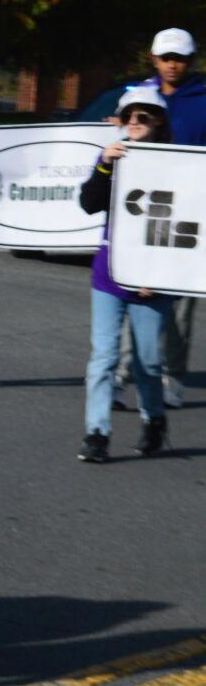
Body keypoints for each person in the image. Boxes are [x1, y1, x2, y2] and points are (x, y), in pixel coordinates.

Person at [76, 87, 175, 462]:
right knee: (103, 356)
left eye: (143, 116)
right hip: (109, 274)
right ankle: (96, 433)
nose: (134, 122)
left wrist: (159, 273)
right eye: (128, 116)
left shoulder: (177, 163)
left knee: (147, 362)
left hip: (153, 280)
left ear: (159, 121)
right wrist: (104, 165)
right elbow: (88, 204)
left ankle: (154, 420)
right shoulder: (114, 157)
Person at [137, 27, 203, 408]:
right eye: (165, 58)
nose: (172, 65)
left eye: (179, 58)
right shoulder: (138, 97)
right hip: (144, 209)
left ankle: (172, 376)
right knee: (133, 292)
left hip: (191, 211)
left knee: (179, 303)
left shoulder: (204, 99)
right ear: (154, 58)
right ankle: (122, 374)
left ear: (190, 61)